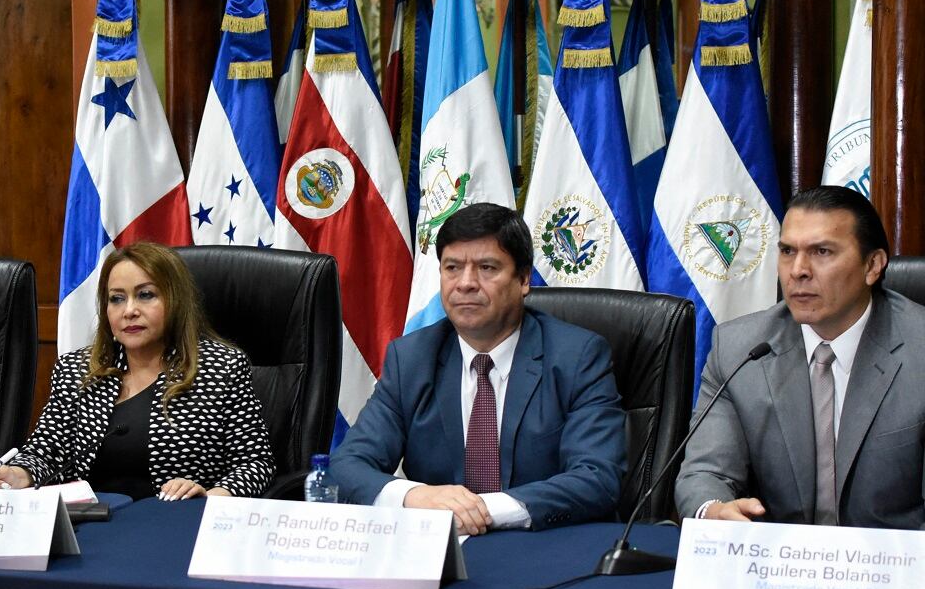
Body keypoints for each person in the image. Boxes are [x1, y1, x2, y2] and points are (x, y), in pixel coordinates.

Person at [331, 203, 626, 535]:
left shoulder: (577, 357)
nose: (466, 283)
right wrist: (416, 496)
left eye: (487, 268)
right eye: (452, 267)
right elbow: (347, 467)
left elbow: (596, 477)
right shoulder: (411, 358)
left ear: (524, 279)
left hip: (547, 549)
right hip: (442, 555)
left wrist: (480, 510)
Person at [676, 185, 925, 528]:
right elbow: (704, 473)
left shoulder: (919, 349)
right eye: (788, 251)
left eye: (822, 252)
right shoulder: (740, 349)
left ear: (873, 265)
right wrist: (714, 510)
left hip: (900, 569)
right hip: (781, 567)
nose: (798, 271)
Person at [0, 242, 275, 499]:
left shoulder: (221, 368)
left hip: (178, 525)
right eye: (116, 299)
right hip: (92, 527)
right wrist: (18, 474)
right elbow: (46, 450)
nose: (129, 310)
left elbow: (256, 463)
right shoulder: (78, 370)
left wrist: (210, 497)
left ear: (175, 301)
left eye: (145, 295)